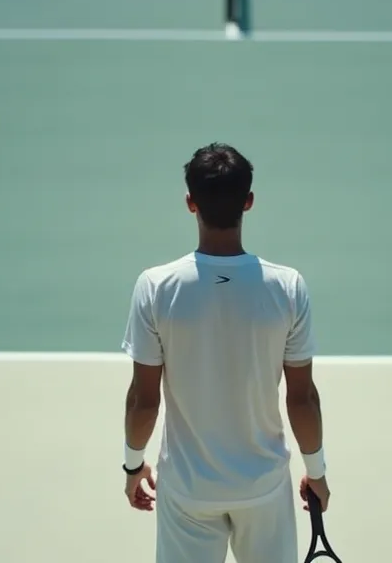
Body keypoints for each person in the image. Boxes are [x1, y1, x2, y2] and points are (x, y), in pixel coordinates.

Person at [119, 142, 330, 563]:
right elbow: (302, 398)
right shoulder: (287, 288)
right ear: (248, 202)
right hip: (263, 490)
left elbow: (145, 401)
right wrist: (318, 472)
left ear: (190, 202)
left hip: (188, 491)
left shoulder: (155, 287)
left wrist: (132, 466)